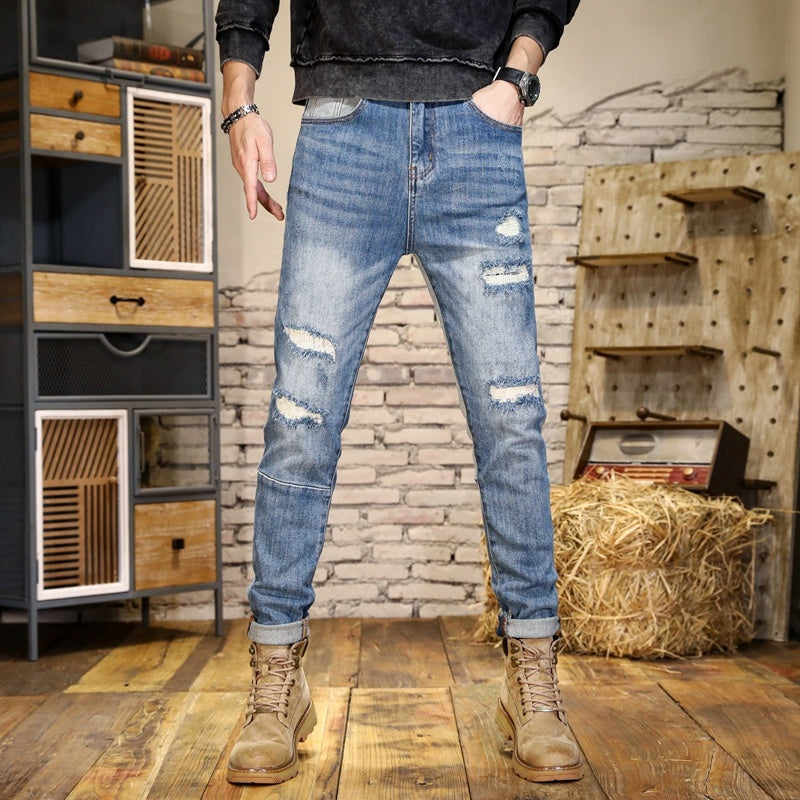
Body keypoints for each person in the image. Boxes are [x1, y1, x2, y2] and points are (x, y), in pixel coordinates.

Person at [215, 0, 582, 785]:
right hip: (344, 129)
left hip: (478, 129)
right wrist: (239, 104)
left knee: (511, 420)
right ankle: (276, 680)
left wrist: (518, 75)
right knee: (301, 418)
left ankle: (534, 676)